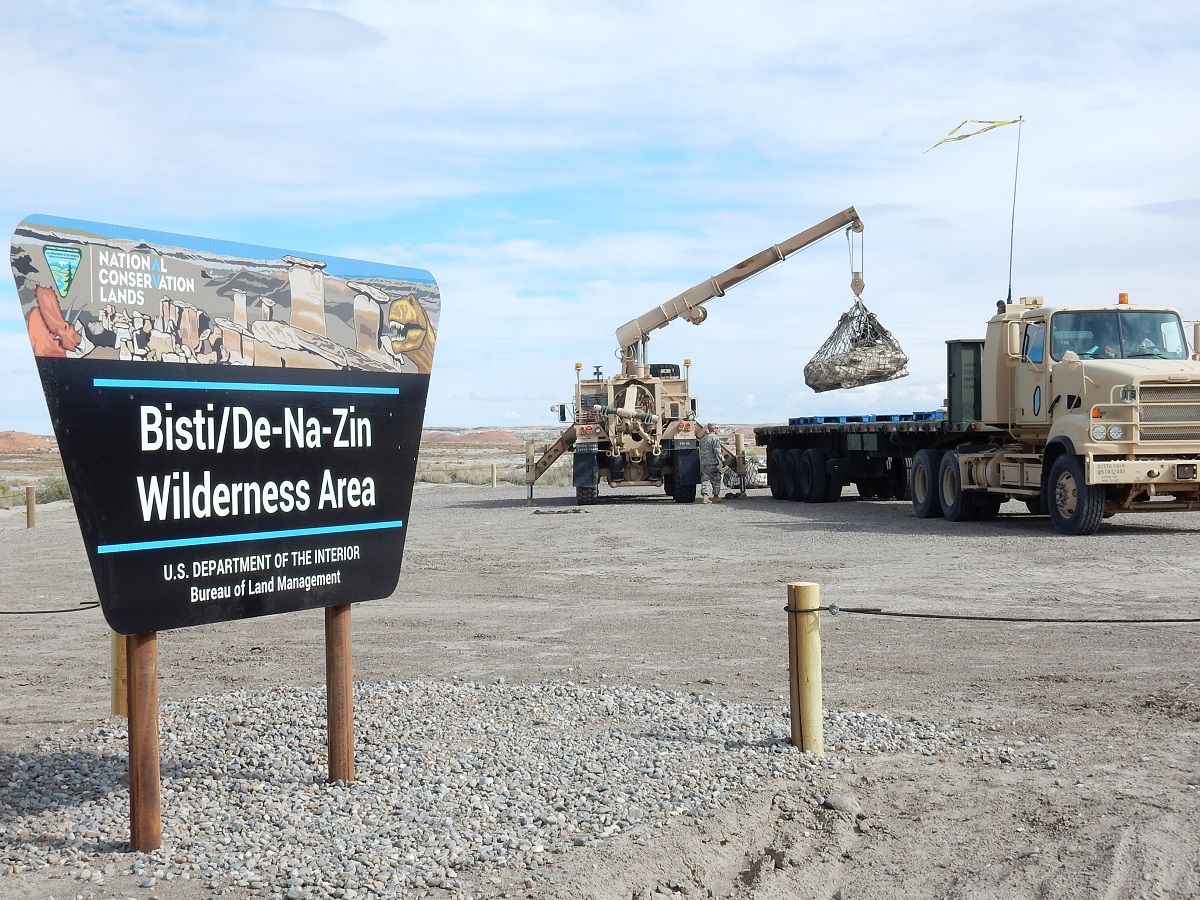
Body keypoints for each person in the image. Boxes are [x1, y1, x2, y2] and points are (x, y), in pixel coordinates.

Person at [699, 423, 724, 503]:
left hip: (703, 462)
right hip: (712, 462)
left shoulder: (703, 439)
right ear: (713, 429)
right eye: (717, 428)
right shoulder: (715, 439)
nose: (718, 429)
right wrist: (723, 460)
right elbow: (717, 451)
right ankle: (715, 496)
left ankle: (705, 497)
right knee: (716, 479)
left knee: (705, 479)